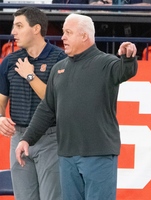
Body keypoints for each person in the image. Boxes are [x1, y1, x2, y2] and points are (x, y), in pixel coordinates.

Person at [15, 13, 138, 200]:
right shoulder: (59, 69)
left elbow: (125, 70)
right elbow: (47, 108)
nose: (62, 37)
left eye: (68, 32)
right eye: (63, 32)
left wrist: (128, 57)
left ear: (84, 36)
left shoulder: (106, 63)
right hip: (67, 155)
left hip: (99, 153)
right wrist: (27, 139)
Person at [0, 6, 67, 200]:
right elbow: (1, 100)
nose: (13, 32)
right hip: (19, 136)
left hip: (50, 138)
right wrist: (1, 117)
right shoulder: (9, 61)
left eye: (19, 26)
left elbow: (56, 100)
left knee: (51, 197)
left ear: (36, 29)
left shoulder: (60, 59)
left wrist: (30, 75)